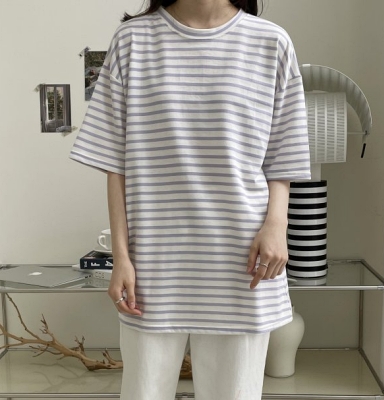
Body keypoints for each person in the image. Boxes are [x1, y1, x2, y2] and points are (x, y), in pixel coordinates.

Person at [70, 0, 311, 398]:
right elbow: (115, 164)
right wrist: (121, 256)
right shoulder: (132, 41)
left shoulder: (272, 42)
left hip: (243, 263)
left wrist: (276, 226)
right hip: (153, 266)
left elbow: (284, 155)